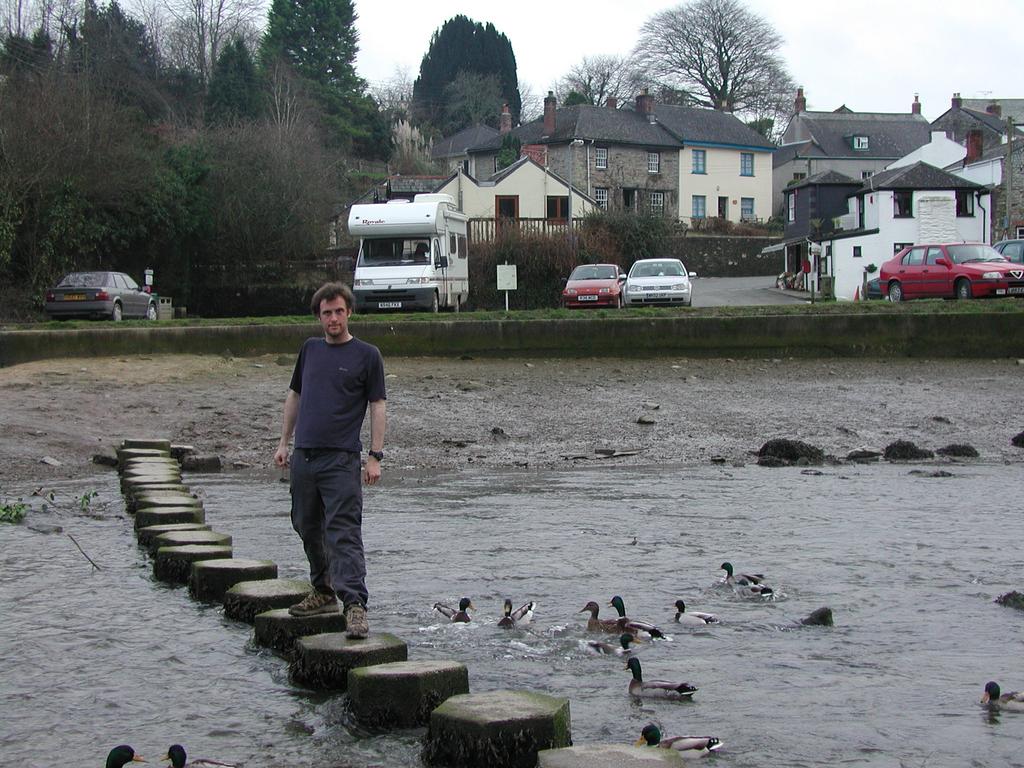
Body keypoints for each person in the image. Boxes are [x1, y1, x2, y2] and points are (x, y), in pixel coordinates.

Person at [273, 282, 386, 639]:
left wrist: (374, 456)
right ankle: (323, 591)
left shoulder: (368, 355)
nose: (333, 318)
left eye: (339, 311)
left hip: (341, 460)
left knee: (343, 532)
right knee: (306, 524)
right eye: (326, 313)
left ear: (349, 312)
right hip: (304, 457)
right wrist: (283, 443)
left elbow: (377, 406)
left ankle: (355, 606)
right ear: (319, 317)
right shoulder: (309, 350)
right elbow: (294, 396)